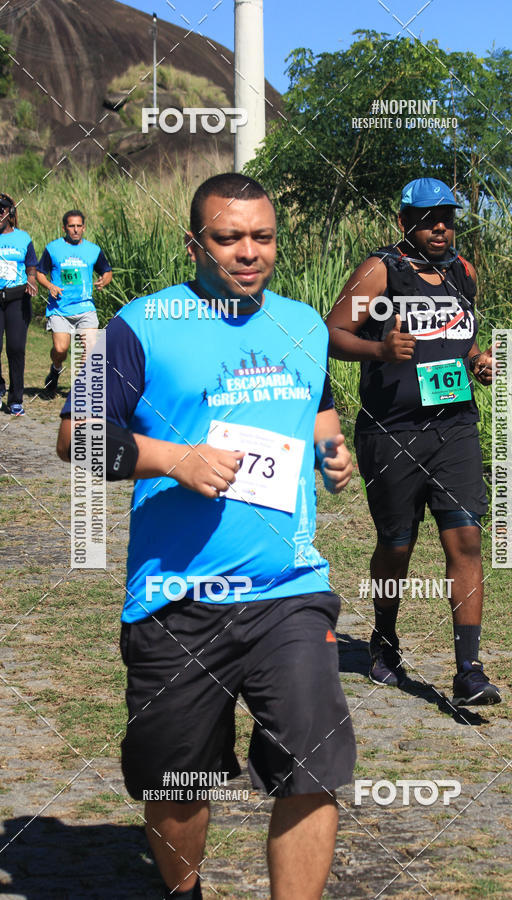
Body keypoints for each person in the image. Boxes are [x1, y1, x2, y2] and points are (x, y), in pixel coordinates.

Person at [56, 173, 356, 899]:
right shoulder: (142, 326)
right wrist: (173, 459)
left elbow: (314, 400)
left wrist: (331, 448)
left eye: (262, 237)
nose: (248, 253)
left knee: (313, 765)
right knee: (177, 778)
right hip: (175, 594)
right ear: (195, 243)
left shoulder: (303, 323)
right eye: (228, 238)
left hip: (290, 588)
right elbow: (76, 438)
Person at [326, 176, 501, 706]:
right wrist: (380, 351)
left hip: (454, 427)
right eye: (428, 220)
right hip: (391, 431)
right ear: (405, 223)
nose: (441, 227)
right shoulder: (382, 270)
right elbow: (329, 333)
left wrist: (478, 362)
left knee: (466, 539)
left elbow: (463, 336)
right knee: (396, 546)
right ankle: (383, 635)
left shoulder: (463, 271)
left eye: (447, 217)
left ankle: (469, 669)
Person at [37, 209, 112, 394]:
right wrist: (50, 286)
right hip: (60, 309)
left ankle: (82, 389)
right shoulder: (53, 248)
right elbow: (40, 273)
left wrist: (104, 280)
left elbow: (107, 270)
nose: (76, 230)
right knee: (60, 349)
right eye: (72, 226)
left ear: (84, 228)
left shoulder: (93, 250)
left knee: (91, 348)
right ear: (65, 228)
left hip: (85, 307)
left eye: (79, 226)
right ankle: (55, 369)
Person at [0, 193, 38, 415]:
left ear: (10, 213)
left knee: (15, 348)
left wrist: (31, 279)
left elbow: (31, 265)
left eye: (1, 210)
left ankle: (15, 399)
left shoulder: (23, 238)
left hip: (16, 299)